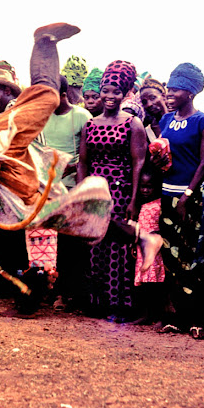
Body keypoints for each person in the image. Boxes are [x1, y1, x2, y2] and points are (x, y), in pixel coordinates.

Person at [78, 59, 147, 322]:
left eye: (115, 91)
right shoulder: (90, 123)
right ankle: (96, 302)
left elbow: (138, 163)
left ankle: (119, 305)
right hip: (96, 190)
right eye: (106, 90)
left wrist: (133, 200)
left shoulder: (132, 124)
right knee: (95, 244)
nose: (109, 96)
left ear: (125, 93)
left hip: (120, 191)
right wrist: (84, 193)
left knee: (118, 248)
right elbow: (83, 161)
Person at [155, 62, 204, 339]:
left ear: (190, 93)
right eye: (169, 88)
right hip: (167, 193)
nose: (169, 93)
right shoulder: (166, 120)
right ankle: (178, 317)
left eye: (175, 89)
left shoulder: (203, 121)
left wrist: (187, 195)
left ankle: (198, 319)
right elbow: (163, 157)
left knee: (193, 256)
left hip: (190, 196)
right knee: (171, 256)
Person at [39, 75, 93, 311]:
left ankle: (70, 294)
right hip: (43, 190)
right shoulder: (41, 116)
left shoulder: (81, 116)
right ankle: (48, 291)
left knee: (71, 246)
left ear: (62, 94)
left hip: (71, 187)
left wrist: (70, 168)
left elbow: (90, 154)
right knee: (46, 245)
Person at [132, 165, 166, 325]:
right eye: (142, 187)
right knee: (144, 285)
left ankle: (157, 315)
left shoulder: (159, 205)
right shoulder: (140, 205)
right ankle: (145, 314)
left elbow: (161, 229)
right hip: (142, 253)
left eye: (149, 187)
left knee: (155, 285)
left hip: (155, 254)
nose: (145, 190)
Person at [139, 78, 168, 142]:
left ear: (163, 96)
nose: (149, 104)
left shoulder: (179, 121)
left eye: (152, 98)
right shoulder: (148, 130)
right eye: (144, 102)